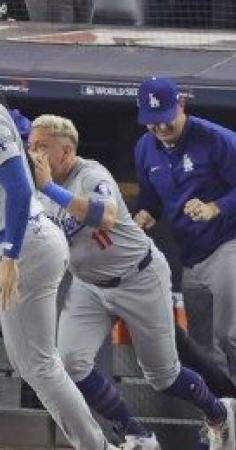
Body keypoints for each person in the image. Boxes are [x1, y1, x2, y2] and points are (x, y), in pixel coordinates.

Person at [0, 35, 117, 449]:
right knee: (34, 363)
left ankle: (97, 446)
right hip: (21, 243)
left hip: (21, 244)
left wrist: (10, 255)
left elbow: (18, 187)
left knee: (40, 365)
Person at [29, 113, 235, 450]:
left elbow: (106, 216)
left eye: (42, 147)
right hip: (89, 286)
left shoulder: (90, 174)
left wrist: (50, 188)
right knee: (69, 363)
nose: (33, 154)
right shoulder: (37, 190)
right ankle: (135, 433)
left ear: (66, 151)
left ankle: (219, 413)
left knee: (163, 376)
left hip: (139, 278)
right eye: (30, 146)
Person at [134, 76, 236, 389]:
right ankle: (223, 418)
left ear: (180, 104)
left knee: (231, 336)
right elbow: (150, 200)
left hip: (227, 244)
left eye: (166, 119)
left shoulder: (216, 139)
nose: (161, 128)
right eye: (153, 122)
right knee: (203, 348)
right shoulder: (144, 149)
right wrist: (144, 215)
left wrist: (215, 207)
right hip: (190, 257)